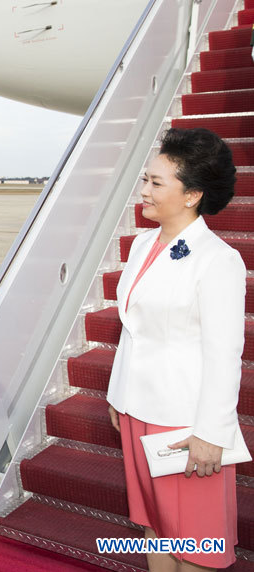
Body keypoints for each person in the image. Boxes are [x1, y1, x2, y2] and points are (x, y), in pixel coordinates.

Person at [106, 127, 243, 570]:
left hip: (184, 421)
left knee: (197, 542)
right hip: (136, 409)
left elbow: (225, 355)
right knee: (156, 526)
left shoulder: (217, 259)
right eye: (145, 179)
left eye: (156, 183)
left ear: (192, 195)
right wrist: (117, 394)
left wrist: (211, 434)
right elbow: (133, 330)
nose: (144, 191)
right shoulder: (144, 243)